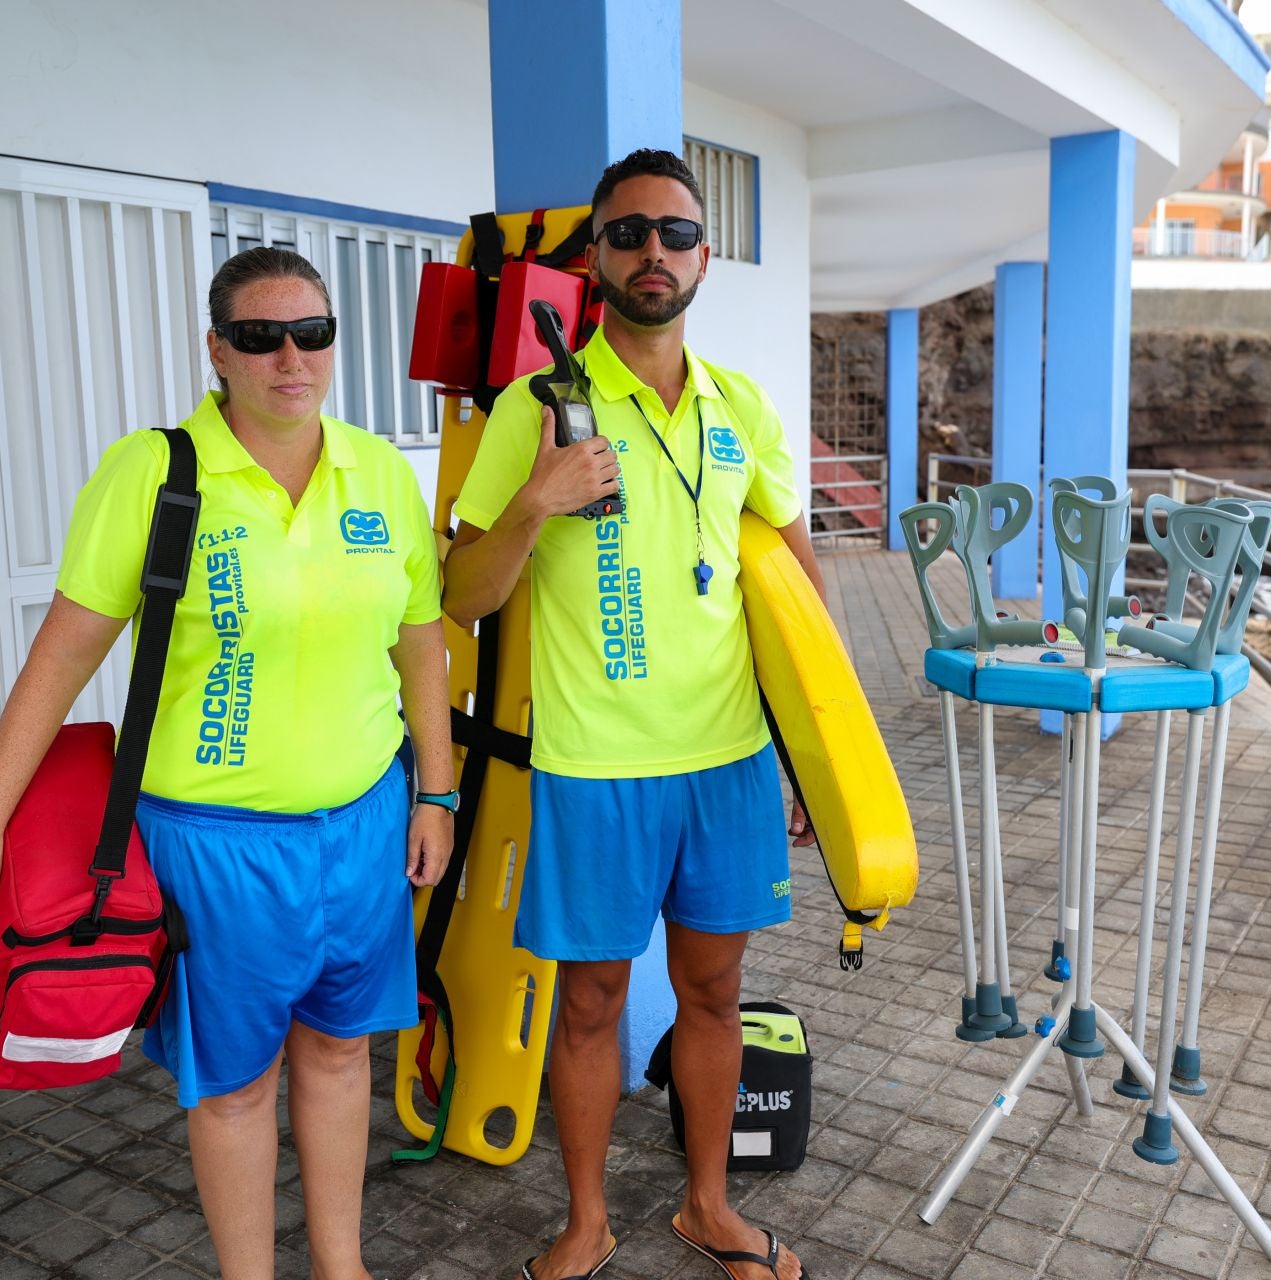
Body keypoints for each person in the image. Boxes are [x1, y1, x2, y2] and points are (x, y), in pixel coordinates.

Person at [0, 246, 454, 1280]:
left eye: (312, 332)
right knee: (237, 1079)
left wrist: (433, 789)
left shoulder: (380, 471)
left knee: (343, 1053)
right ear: (218, 349)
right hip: (213, 841)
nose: (289, 356)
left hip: (361, 825)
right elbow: (63, 655)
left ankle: (344, 1265)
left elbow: (421, 640)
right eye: (259, 335)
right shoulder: (156, 470)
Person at [443, 149, 820, 1280]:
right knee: (591, 1003)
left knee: (714, 992)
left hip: (729, 760)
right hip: (594, 764)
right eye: (628, 233)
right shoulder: (536, 406)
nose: (652, 250)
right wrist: (536, 499)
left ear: (704, 256)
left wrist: (814, 754)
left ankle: (708, 1204)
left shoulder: (741, 406)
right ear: (596, 257)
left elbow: (797, 583)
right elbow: (462, 593)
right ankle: (586, 1218)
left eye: (674, 231)